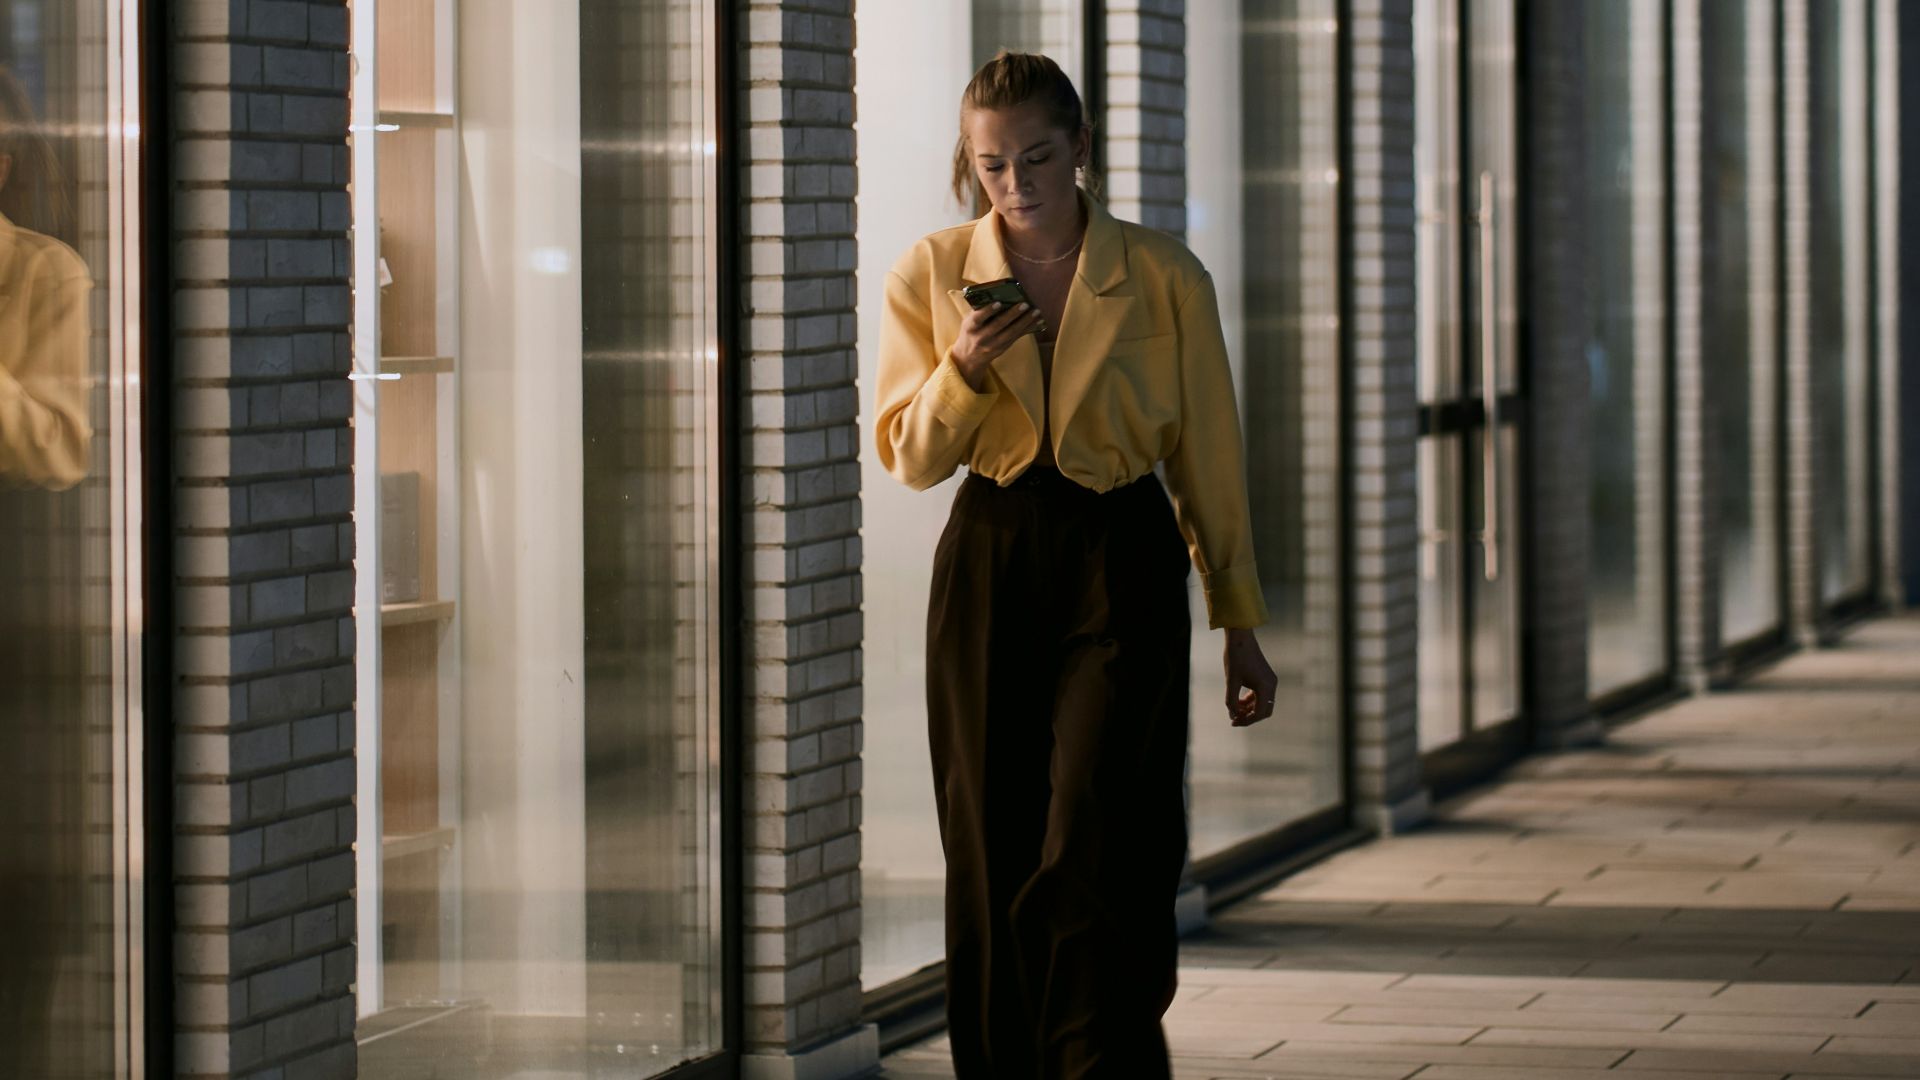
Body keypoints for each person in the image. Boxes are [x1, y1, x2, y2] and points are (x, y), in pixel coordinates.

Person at [873, 51, 1279, 1080]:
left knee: (1102, 826)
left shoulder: (1164, 275)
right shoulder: (930, 273)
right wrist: (963, 368)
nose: (1016, 184)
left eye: (1038, 157)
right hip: (991, 548)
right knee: (988, 836)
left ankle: (1099, 1063)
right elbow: (909, 456)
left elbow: (1210, 455)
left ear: (1082, 147)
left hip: (1121, 546)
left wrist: (1238, 619)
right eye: (992, 164)